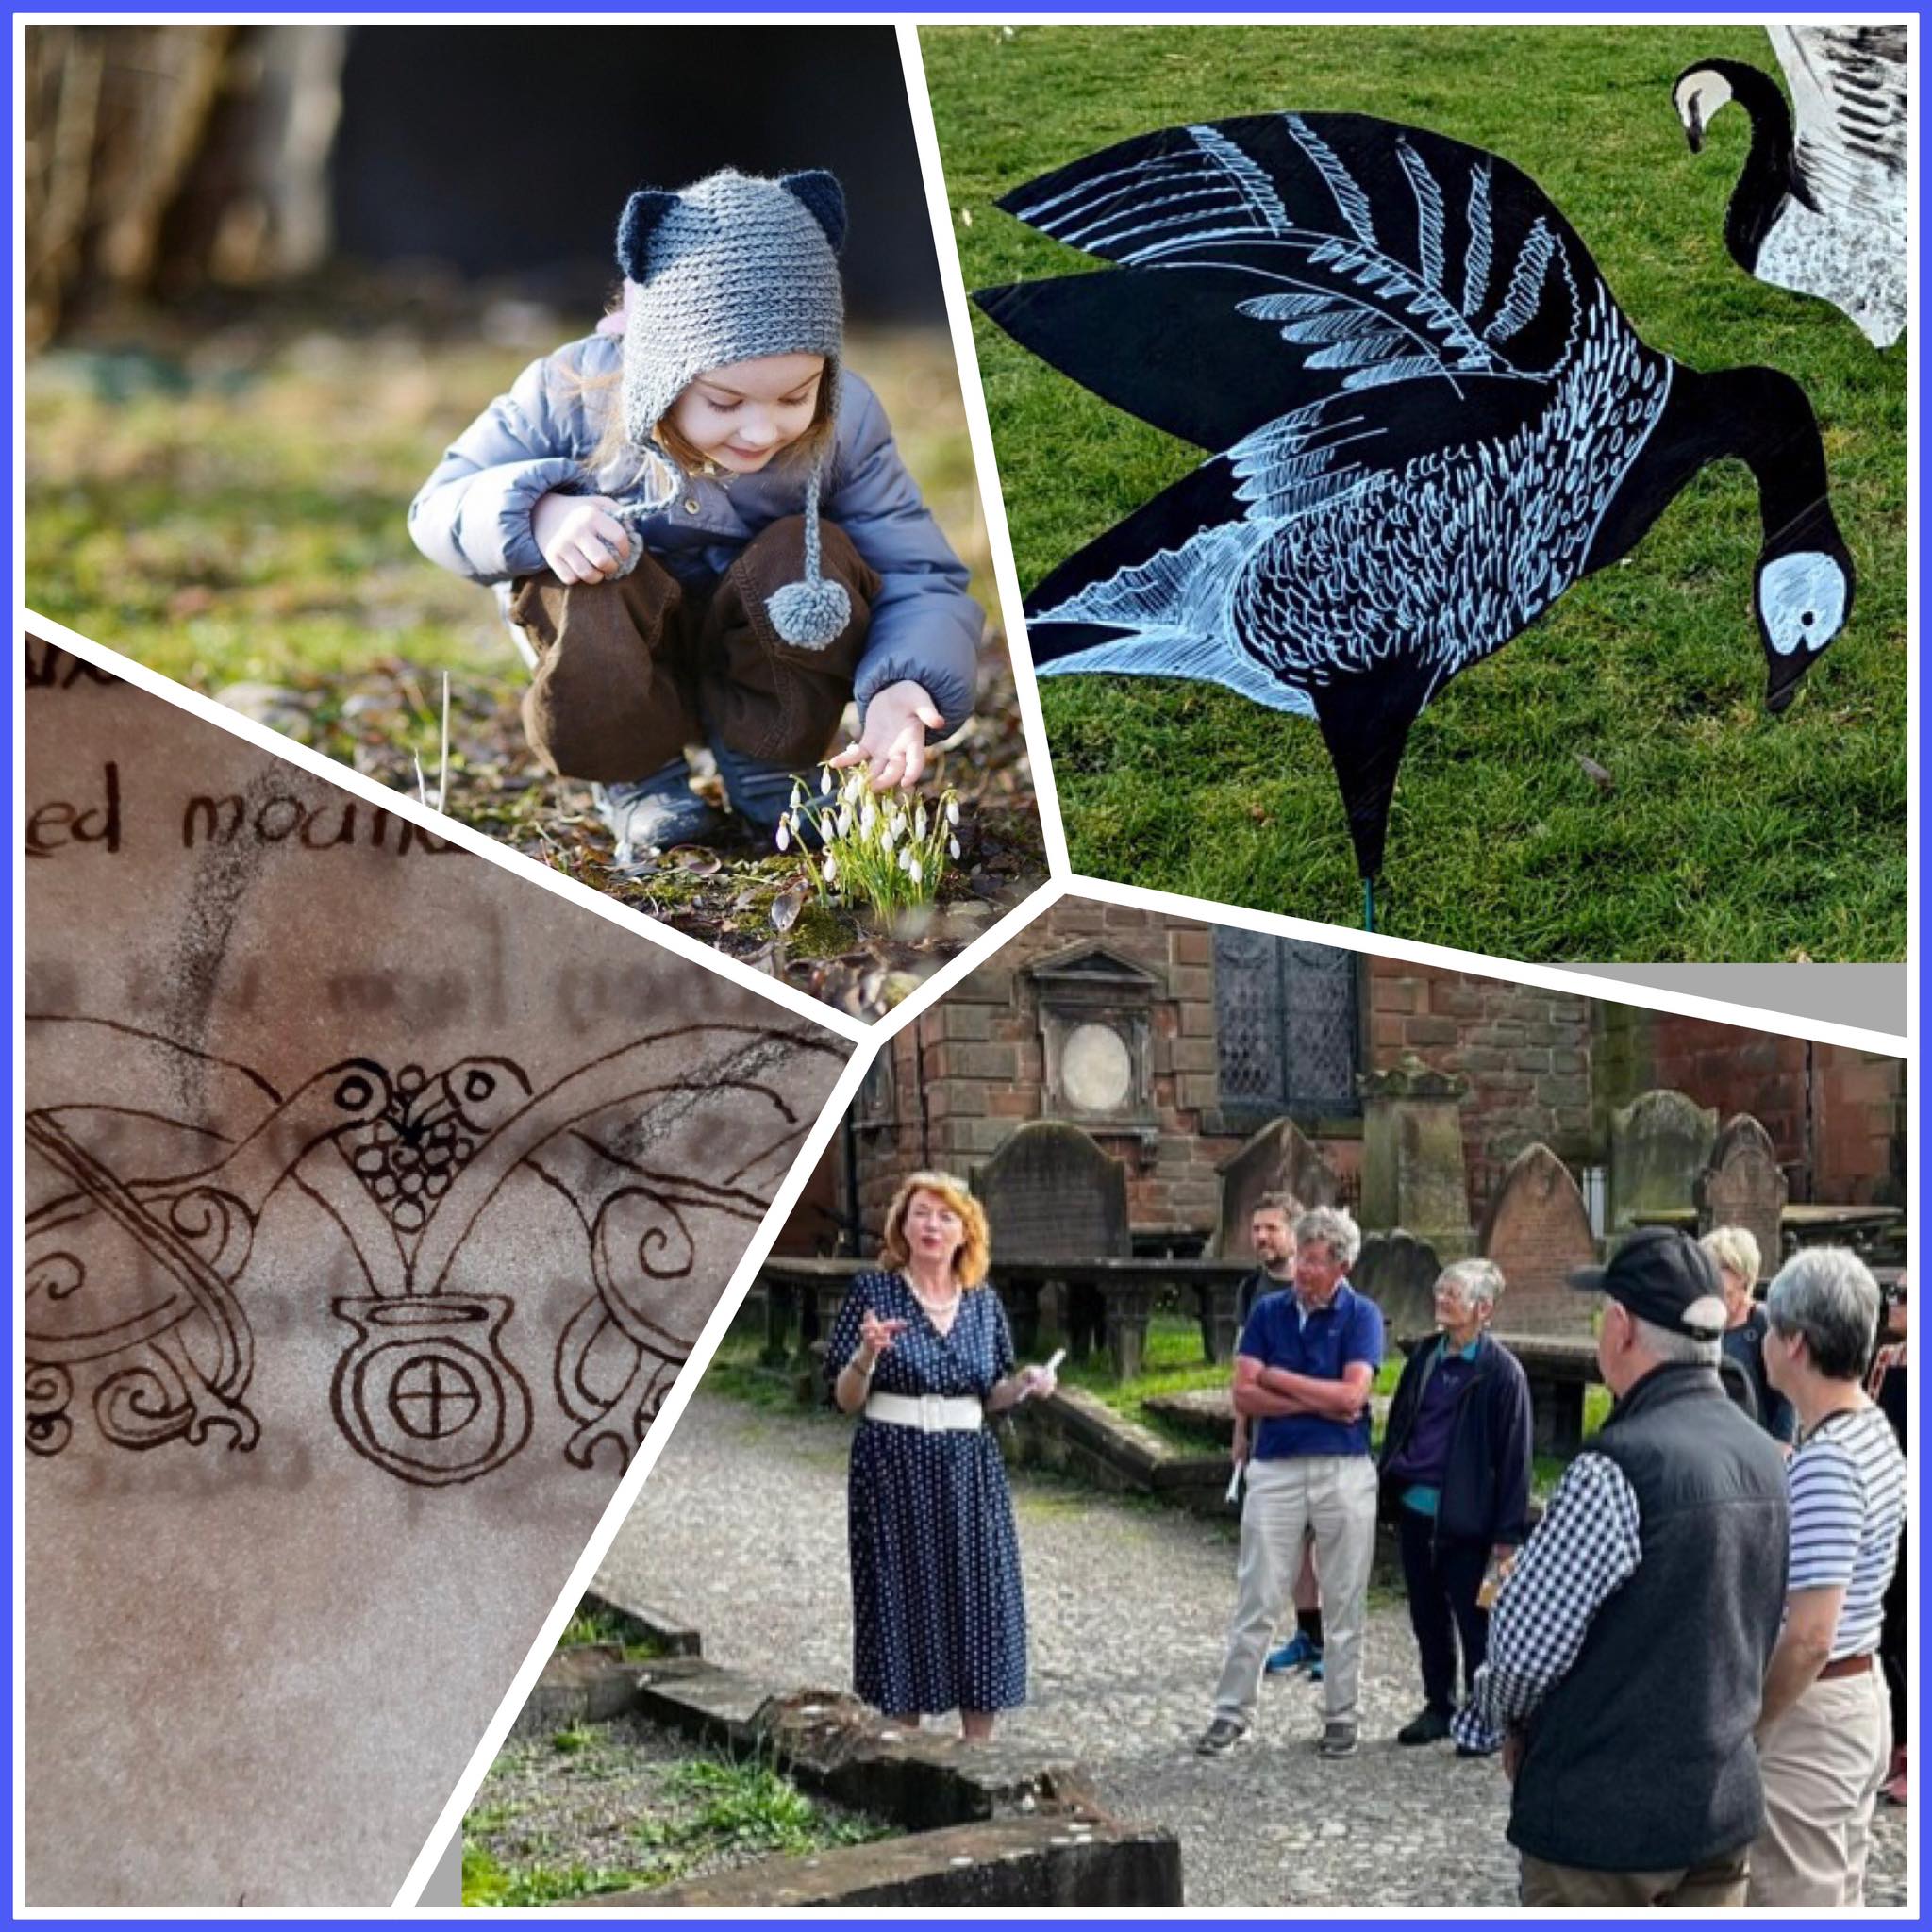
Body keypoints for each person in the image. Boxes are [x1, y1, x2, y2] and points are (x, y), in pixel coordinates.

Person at [410, 168, 981, 860]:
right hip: (623, 663)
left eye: (795, 395)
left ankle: (772, 764)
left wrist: (905, 681)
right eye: (725, 403)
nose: (762, 431)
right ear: (660, 372)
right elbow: (437, 505)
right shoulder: (568, 394)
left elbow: (918, 569)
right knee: (589, 562)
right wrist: (540, 517)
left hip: (766, 663)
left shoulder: (845, 420)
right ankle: (639, 781)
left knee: (815, 552)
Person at [1452, 1227, 1789, 1907]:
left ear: (1622, 1328)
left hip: (1603, 1828)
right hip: (1718, 1807)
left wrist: (1492, 1719)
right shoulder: (1768, 1457)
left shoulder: (1616, 1469)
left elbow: (1520, 1649)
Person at [824, 1172, 1057, 1742]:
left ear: (965, 1232)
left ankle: (979, 1753)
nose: (932, 1225)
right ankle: (906, 1750)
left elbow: (990, 1395)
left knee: (979, 1597)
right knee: (901, 1599)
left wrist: (1025, 1384)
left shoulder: (982, 1303)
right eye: (922, 1213)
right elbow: (845, 1399)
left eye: (946, 1216)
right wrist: (867, 1355)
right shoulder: (873, 1295)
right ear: (902, 1224)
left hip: (968, 1468)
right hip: (892, 1466)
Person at [1748, 1248, 1907, 1906]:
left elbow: (1810, 1635)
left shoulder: (1831, 1461)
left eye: (1769, 1328)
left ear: (1796, 1344)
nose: (1760, 1341)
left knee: (1792, 1899)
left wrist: (1751, 1721)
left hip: (1814, 1711)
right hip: (1856, 1692)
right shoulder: (1867, 1429)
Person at [1197, 1205, 1382, 1760]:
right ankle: (1232, 1712)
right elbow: (1244, 1395)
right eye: (1301, 1256)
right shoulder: (1268, 1313)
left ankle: (1341, 1715)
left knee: (1345, 1598)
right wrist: (1311, 1395)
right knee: (1257, 1594)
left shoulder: (1363, 1316)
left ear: (1342, 1267)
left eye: (1317, 1261)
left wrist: (1278, 1380)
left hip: (1342, 1469)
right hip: (1275, 1467)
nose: (1303, 1269)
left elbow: (1354, 1398)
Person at [1379, 1258, 1532, 1750]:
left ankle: (1485, 1717)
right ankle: (1438, 1705)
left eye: (1454, 1293)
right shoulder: (1425, 1357)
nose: (1441, 1299)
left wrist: (1507, 1537)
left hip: (1469, 1520)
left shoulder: (1501, 1374)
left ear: (1483, 1308)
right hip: (1416, 1510)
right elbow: (1402, 1421)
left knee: (1477, 1624)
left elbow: (1515, 1459)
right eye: (1440, 1290)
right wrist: (1390, 1482)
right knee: (1426, 1615)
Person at [1229, 1194, 1325, 1684]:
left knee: (1322, 1543)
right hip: (1269, 1435)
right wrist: (1240, 1433)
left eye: (1271, 1228)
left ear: (1294, 1232)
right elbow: (1241, 1372)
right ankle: (1309, 1637)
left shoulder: (1322, 1286)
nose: (1262, 1237)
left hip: (1320, 1435)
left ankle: (1333, 1642)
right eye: (1256, 1229)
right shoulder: (1251, 1292)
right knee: (1289, 1550)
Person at [1702, 1225, 1798, 1443]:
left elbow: (1787, 1394)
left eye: (1726, 1293)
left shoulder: (1762, 1322)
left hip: (1757, 1443)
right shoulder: (1701, 1321)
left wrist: (1782, 1445)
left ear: (1744, 1282)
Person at [1868, 1274, 1907, 1807]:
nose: (1893, 1304)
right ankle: (1895, 1741)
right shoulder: (1886, 1361)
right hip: (1891, 1503)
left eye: (1903, 1295)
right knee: (1890, 1623)